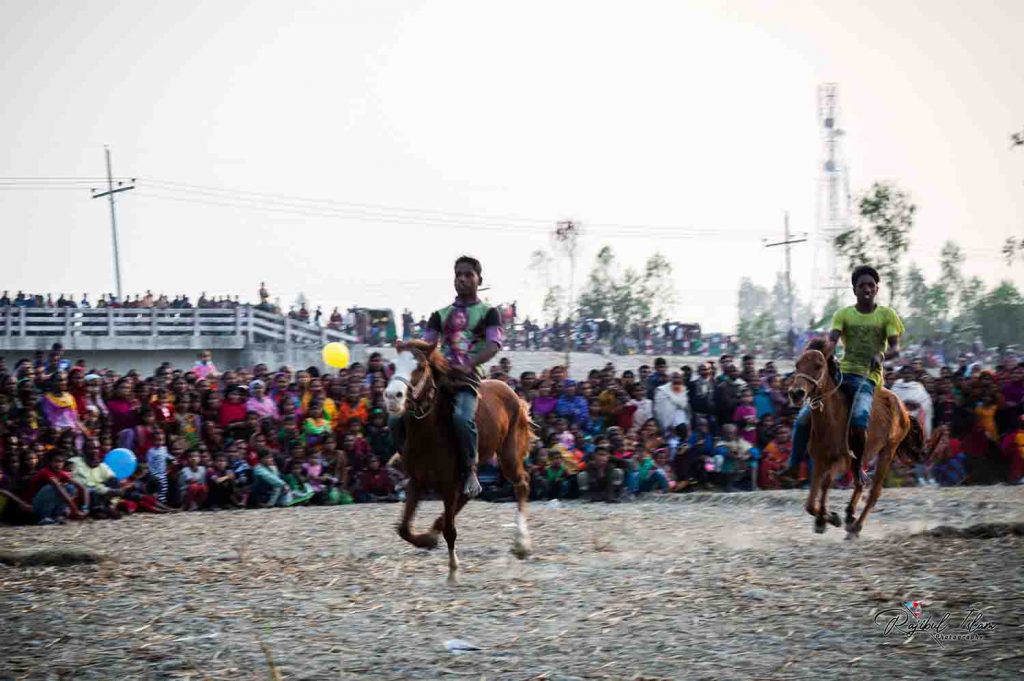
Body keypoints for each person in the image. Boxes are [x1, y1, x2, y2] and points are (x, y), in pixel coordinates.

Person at [389, 255, 503, 498]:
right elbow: (427, 345)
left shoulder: (489, 312)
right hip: (439, 376)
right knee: (397, 418)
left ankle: (471, 469)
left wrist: (469, 364)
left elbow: (494, 345)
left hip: (468, 377)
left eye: (467, 275)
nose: (461, 279)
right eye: (458, 274)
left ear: (478, 279)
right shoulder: (440, 314)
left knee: (462, 417)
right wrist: (406, 345)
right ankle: (406, 458)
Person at [781, 265, 905, 484]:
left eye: (870, 285)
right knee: (802, 420)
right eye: (861, 285)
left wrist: (881, 355)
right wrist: (816, 355)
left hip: (868, 378)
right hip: (843, 374)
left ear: (877, 289)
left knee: (858, 419)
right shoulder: (843, 314)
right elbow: (832, 341)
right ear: (854, 290)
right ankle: (792, 465)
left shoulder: (888, 315)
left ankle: (857, 467)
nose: (866, 289)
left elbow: (895, 348)